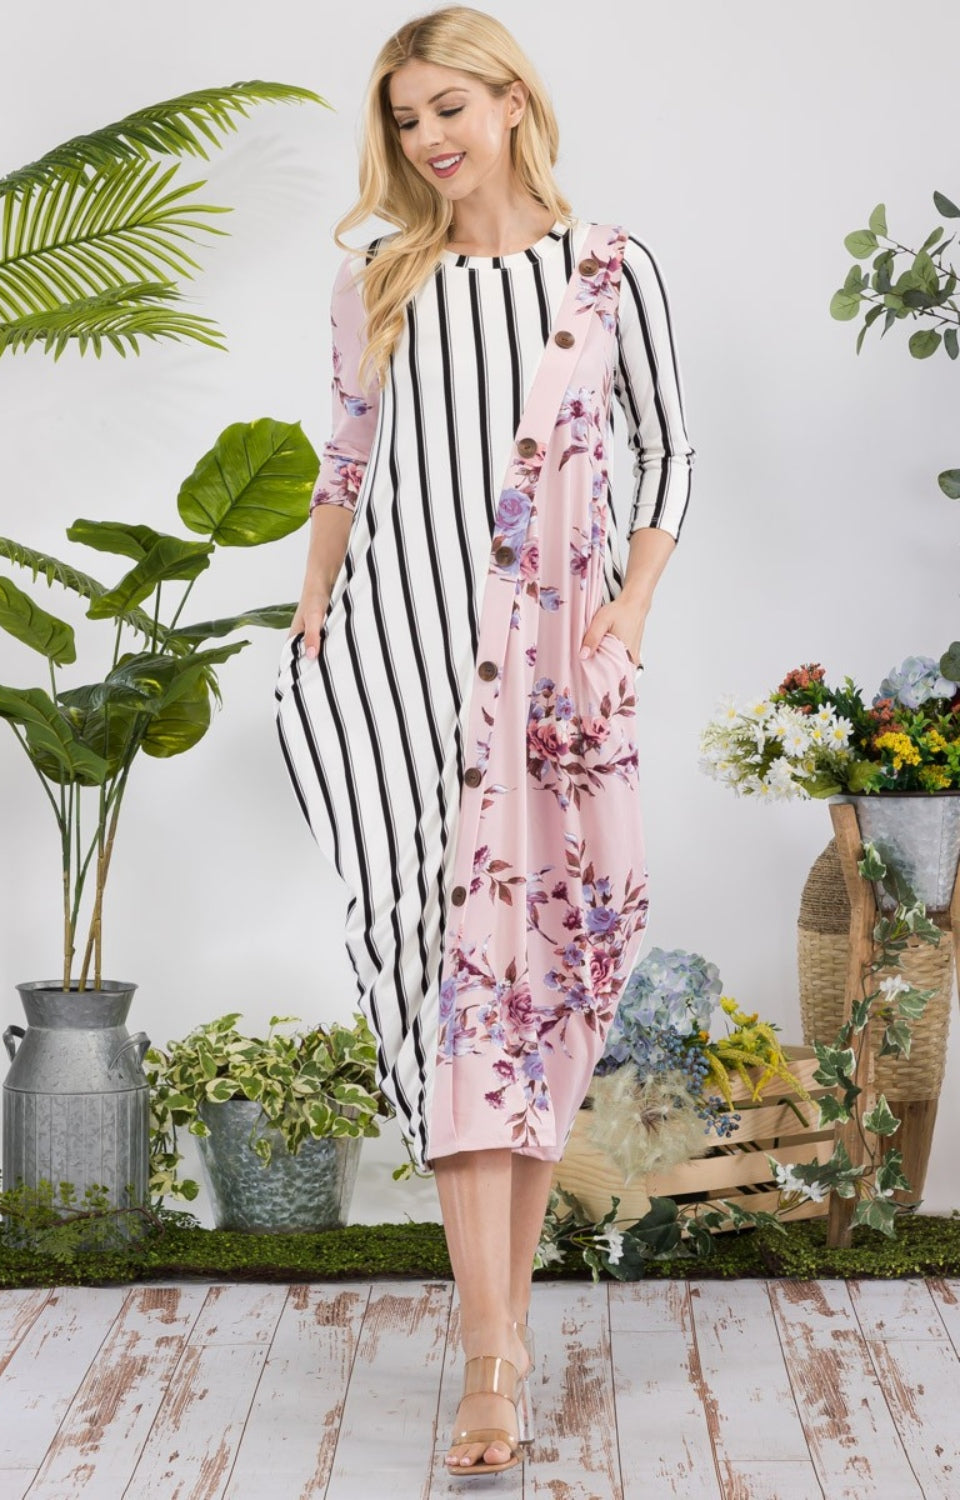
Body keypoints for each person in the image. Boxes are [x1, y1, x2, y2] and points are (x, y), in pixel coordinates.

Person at [275, 3, 695, 1478]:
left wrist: (628, 619)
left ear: (512, 101)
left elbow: (670, 448)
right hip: (395, 673)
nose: (428, 139)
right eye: (404, 120)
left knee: (529, 985)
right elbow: (343, 456)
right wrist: (314, 613)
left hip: (551, 680)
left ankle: (502, 1336)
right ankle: (491, 1358)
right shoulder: (381, 282)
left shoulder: (605, 271)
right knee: (447, 992)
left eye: (449, 106)